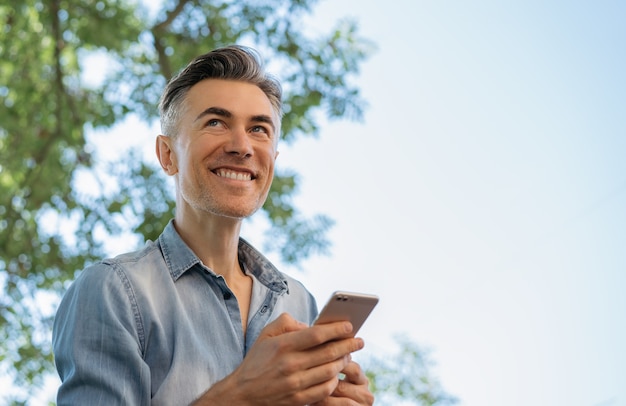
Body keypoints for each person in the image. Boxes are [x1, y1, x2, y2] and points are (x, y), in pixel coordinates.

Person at [52, 45, 374, 406]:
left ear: (273, 161)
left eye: (259, 129)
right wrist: (243, 395)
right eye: (216, 122)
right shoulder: (114, 290)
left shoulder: (298, 303)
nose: (242, 146)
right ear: (167, 154)